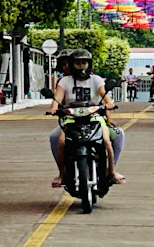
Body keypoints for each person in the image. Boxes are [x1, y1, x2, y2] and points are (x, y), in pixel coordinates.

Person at [49, 49, 124, 187]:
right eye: (78, 63)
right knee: (60, 141)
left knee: (106, 141)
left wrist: (109, 103)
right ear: (72, 65)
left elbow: (103, 94)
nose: (81, 66)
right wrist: (54, 107)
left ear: (89, 64)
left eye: (84, 63)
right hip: (71, 119)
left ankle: (112, 171)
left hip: (94, 117)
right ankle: (62, 174)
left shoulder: (96, 79)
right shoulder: (65, 81)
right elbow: (57, 98)